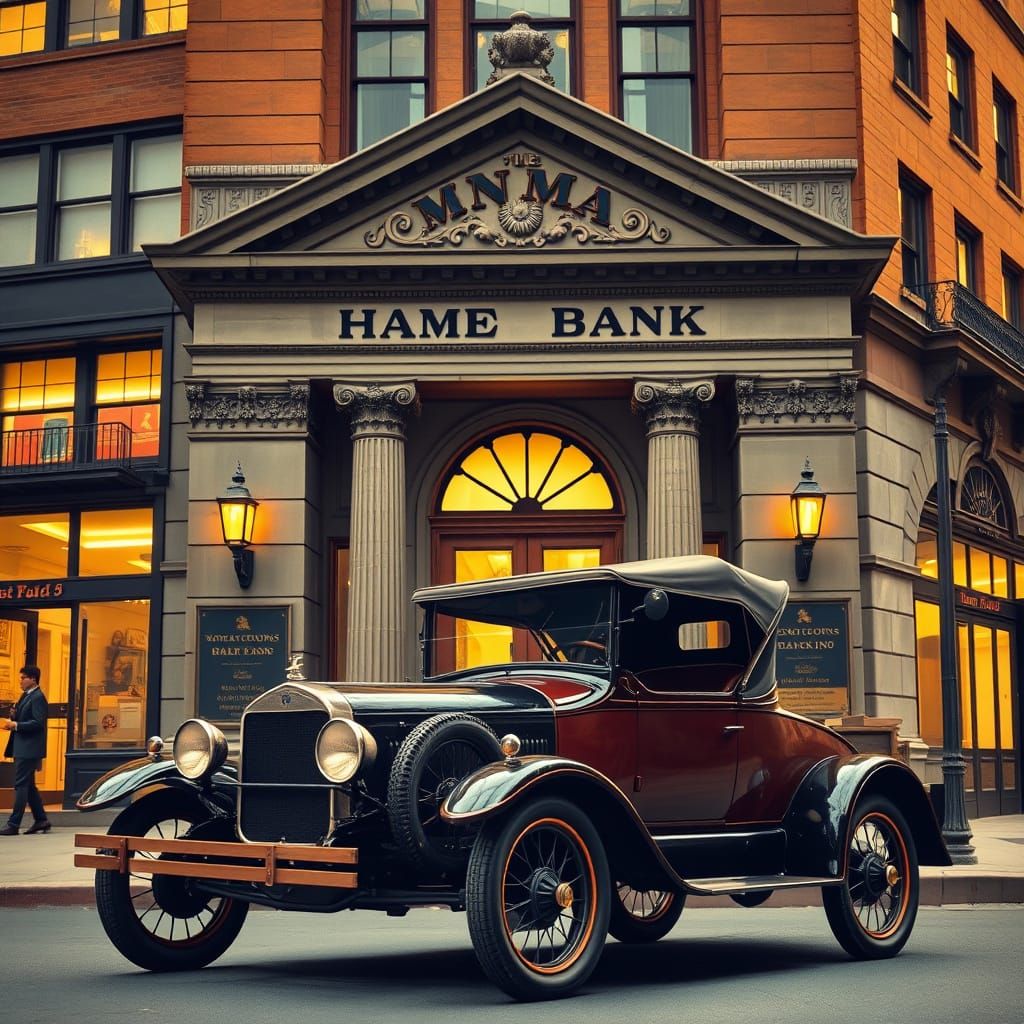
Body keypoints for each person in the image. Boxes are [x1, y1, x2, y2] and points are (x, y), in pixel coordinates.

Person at [1, 665, 50, 836]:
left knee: (20, 785)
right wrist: (14, 716)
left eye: (23, 678)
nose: (20, 681)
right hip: (23, 746)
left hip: (29, 748)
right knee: (29, 786)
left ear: (33, 679)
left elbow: (38, 723)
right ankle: (41, 820)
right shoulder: (26, 696)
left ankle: (13, 824)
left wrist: (16, 725)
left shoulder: (38, 697)